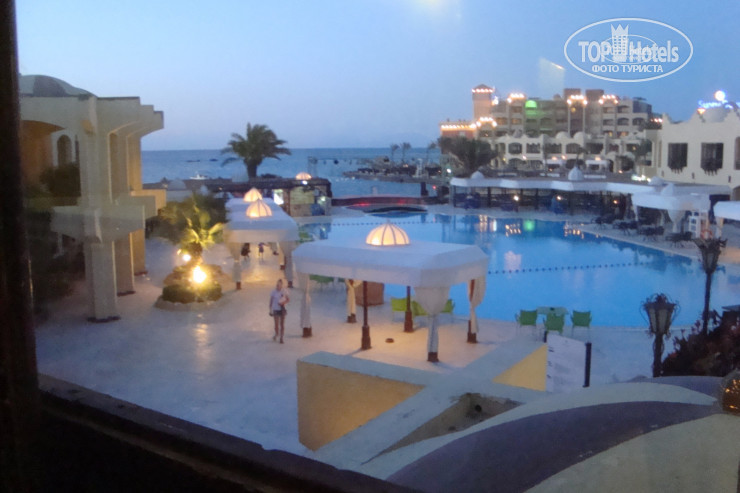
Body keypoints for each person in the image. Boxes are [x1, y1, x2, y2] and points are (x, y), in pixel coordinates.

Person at [269, 279, 289, 343]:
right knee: (276, 324)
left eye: (279, 285)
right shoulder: (273, 292)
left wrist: (283, 303)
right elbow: (271, 301)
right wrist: (270, 310)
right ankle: (276, 333)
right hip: (275, 309)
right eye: (277, 285)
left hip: (282, 309)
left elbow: (288, 299)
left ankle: (281, 337)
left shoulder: (284, 291)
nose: (277, 287)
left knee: (282, 324)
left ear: (281, 285)